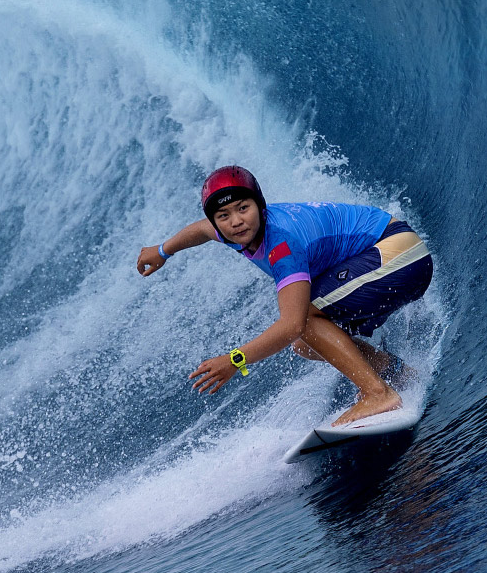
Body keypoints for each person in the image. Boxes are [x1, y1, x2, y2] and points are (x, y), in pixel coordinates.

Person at [137, 166, 434, 426]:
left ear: (260, 206)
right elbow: (200, 230)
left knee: (302, 321)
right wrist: (162, 251)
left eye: (244, 208)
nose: (237, 221)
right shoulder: (232, 230)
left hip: (399, 255)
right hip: (390, 258)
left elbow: (292, 323)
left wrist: (234, 360)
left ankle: (378, 394)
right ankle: (395, 373)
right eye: (224, 215)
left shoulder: (282, 243)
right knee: (306, 344)